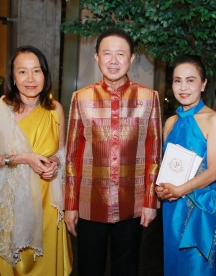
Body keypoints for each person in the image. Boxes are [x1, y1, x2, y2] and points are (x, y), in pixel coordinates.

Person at [0, 46, 72, 275]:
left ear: (45, 75)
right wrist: (20, 158)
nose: (30, 79)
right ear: (13, 77)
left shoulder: (55, 109)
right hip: (11, 204)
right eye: (22, 72)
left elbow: (62, 149)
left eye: (36, 71)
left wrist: (55, 162)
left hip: (49, 203)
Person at [64, 28, 162, 276]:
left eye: (121, 54)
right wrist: (70, 205)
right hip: (89, 202)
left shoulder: (149, 98)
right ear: (96, 58)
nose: (114, 60)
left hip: (132, 201)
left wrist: (150, 201)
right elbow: (72, 156)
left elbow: (153, 154)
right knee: (89, 268)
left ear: (131, 59)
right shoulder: (81, 98)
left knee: (127, 269)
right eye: (107, 53)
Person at [156, 55, 216, 275]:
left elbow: (215, 171)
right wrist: (160, 187)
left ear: (204, 83)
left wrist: (180, 189)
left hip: (201, 208)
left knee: (197, 268)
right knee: (173, 264)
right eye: (177, 80)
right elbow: (167, 166)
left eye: (190, 80)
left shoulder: (214, 119)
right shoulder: (170, 122)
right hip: (172, 207)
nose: (183, 87)